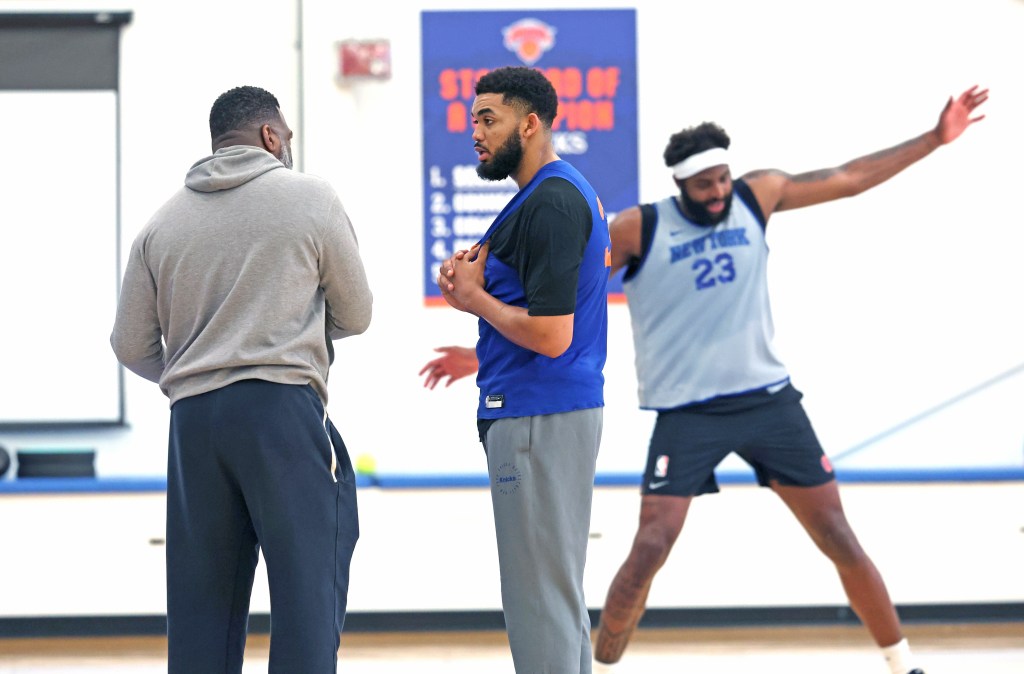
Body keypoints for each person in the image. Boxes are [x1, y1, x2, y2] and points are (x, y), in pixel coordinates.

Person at [422, 84, 988, 674]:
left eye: (723, 178)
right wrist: (480, 351)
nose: (718, 192)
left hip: (767, 399)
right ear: (679, 185)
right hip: (687, 410)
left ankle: (903, 664)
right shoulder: (638, 227)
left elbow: (849, 177)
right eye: (704, 184)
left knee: (837, 534)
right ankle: (603, 664)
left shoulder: (757, 197)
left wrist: (935, 139)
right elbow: (569, 292)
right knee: (648, 548)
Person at [110, 85, 372, 673]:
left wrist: (188, 373)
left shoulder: (161, 224)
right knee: (307, 589)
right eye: (289, 141)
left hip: (194, 424)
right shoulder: (311, 198)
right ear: (270, 137)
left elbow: (129, 344)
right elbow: (357, 315)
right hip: (280, 410)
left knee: (204, 602)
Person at [431, 65, 611, 673]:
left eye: (488, 119)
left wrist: (474, 300)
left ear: (529, 123)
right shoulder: (541, 198)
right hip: (543, 411)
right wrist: (479, 340)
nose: (475, 133)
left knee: (539, 605)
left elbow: (554, 336)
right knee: (553, 600)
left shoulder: (554, 203)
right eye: (472, 120)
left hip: (540, 416)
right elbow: (544, 321)